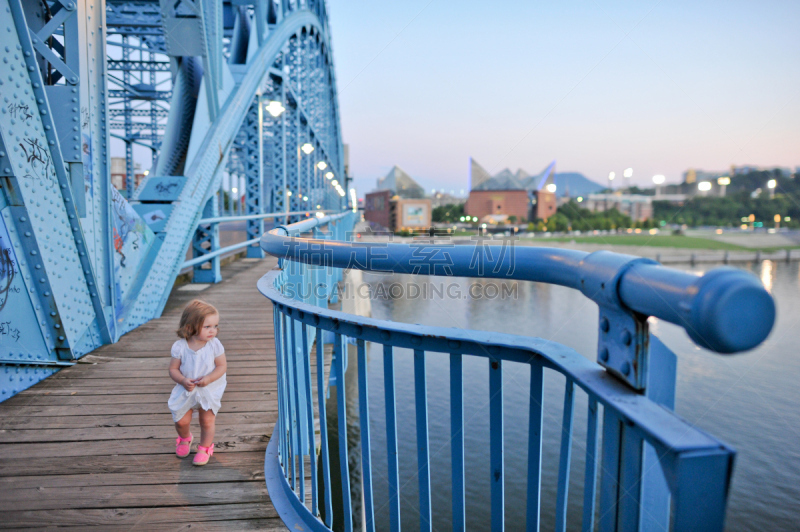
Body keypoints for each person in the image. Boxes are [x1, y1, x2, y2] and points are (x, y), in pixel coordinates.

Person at [168, 299, 227, 466]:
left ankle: (204, 447)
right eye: (207, 327)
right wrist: (182, 380)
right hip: (187, 387)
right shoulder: (180, 347)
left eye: (215, 326)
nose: (213, 331)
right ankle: (185, 438)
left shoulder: (214, 345)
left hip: (209, 387)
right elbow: (173, 369)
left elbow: (222, 366)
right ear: (189, 327)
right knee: (181, 420)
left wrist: (208, 379)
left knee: (206, 420)